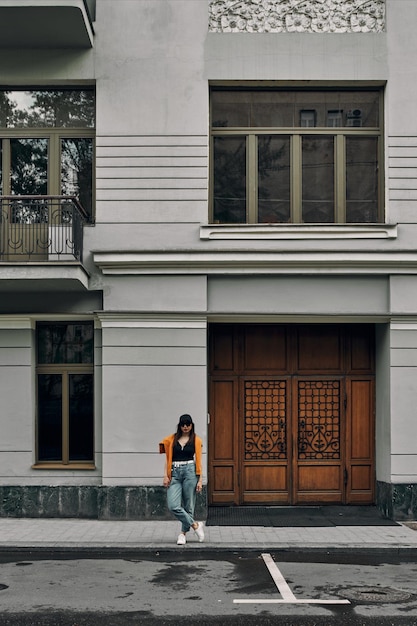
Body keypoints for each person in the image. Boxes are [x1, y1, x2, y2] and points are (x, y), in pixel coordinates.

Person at [159, 414, 205, 545]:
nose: (185, 427)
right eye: (183, 424)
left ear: (191, 425)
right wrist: (165, 475)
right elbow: (167, 459)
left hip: (190, 471)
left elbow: (199, 462)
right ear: (179, 426)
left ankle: (182, 534)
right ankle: (196, 525)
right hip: (175, 472)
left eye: (188, 424)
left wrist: (200, 480)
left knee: (188, 504)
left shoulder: (196, 440)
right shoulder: (171, 440)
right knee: (173, 505)